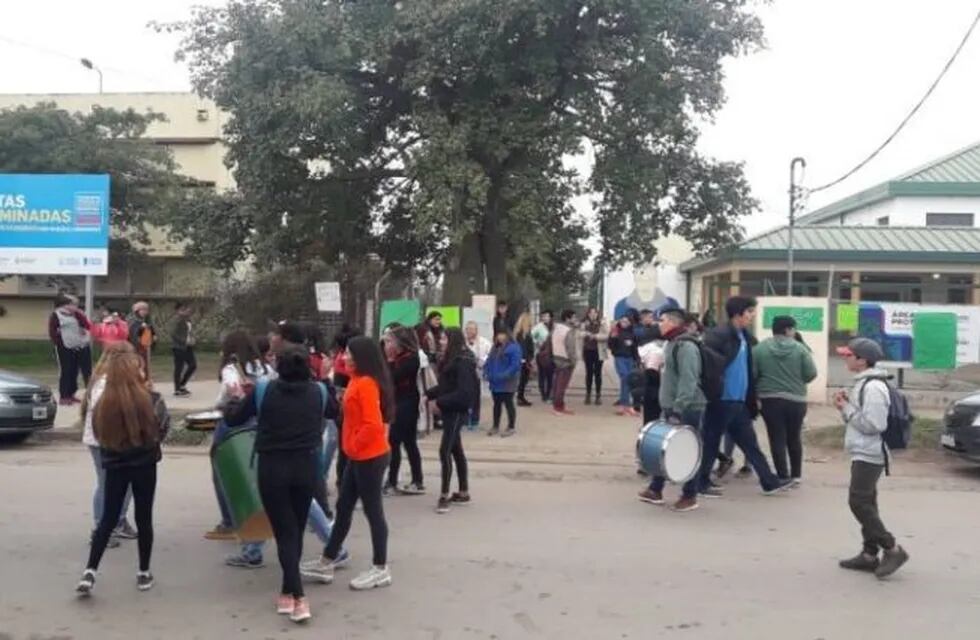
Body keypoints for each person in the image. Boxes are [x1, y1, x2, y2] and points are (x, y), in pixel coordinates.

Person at [223, 344, 339, 623]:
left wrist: (234, 398)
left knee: (285, 531)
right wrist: (325, 380)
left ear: (280, 367)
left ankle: (298, 597)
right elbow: (334, 412)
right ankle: (287, 591)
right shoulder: (319, 392)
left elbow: (234, 418)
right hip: (306, 468)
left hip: (273, 468)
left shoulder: (264, 389)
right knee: (295, 529)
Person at [76, 342, 169, 596]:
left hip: (115, 461)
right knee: (144, 517)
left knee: (107, 518)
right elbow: (162, 428)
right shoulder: (151, 397)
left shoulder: (104, 398)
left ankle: (90, 571)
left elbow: (97, 431)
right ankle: (143, 572)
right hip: (145, 462)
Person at [313, 336, 394, 591]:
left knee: (373, 512)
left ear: (361, 357)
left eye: (348, 354)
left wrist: (353, 446)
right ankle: (327, 559)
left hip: (370, 457)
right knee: (344, 506)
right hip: (359, 456)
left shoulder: (367, 384)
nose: (343, 358)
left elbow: (372, 425)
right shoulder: (357, 381)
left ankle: (380, 568)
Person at [696, 296, 792, 497]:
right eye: (749, 312)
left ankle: (769, 482)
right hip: (721, 399)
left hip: (738, 401)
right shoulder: (719, 335)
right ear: (738, 313)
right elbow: (709, 367)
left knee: (750, 443)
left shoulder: (744, 337)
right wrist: (712, 392)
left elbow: (747, 369)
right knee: (711, 442)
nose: (752, 316)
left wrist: (751, 398)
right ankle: (700, 482)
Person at [834, 338, 909, 579]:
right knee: (868, 503)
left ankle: (891, 548)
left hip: (871, 453)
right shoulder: (865, 383)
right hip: (864, 450)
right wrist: (847, 406)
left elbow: (875, 424)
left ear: (862, 360)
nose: (844, 358)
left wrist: (846, 408)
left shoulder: (874, 388)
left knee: (859, 502)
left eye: (848, 355)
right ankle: (869, 554)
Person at [637, 308, 706, 512]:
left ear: (674, 323)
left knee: (687, 450)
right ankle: (655, 489)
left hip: (687, 407)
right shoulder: (671, 343)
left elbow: (689, 380)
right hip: (670, 405)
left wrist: (678, 408)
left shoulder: (686, 347)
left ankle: (690, 495)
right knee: (663, 447)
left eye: (663, 320)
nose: (659, 323)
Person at [82, 344, 139, 551]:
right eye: (131, 357)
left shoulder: (121, 380)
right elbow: (104, 415)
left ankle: (118, 520)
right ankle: (101, 528)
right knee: (107, 485)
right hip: (102, 441)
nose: (135, 361)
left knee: (128, 483)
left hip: (120, 441)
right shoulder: (103, 382)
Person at [753, 316, 817, 484]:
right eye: (793, 329)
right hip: (796, 400)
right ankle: (796, 475)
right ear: (788, 330)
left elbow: (753, 375)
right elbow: (811, 374)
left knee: (777, 438)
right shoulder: (801, 349)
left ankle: (783, 476)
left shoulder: (759, 349)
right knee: (794, 437)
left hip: (769, 400)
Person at [426, 327, 476, 514]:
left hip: (456, 411)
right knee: (456, 450)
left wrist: (439, 401)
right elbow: (446, 385)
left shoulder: (463, 361)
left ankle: (444, 495)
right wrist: (429, 394)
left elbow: (464, 393)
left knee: (445, 450)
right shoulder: (453, 359)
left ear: (453, 340)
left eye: (444, 339)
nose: (441, 342)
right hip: (450, 410)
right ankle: (463, 491)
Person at [383, 327, 425, 495]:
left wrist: (391, 359)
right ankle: (415, 479)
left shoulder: (411, 359)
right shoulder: (397, 358)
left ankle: (395, 481)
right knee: (406, 442)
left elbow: (391, 378)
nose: (386, 344)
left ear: (400, 342)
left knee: (398, 441)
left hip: (407, 403)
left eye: (389, 341)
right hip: (397, 401)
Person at [49, 293, 93, 405]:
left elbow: (87, 325)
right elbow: (52, 331)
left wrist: (79, 315)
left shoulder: (77, 314)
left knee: (79, 371)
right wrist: (58, 342)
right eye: (73, 304)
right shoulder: (56, 315)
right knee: (67, 371)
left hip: (81, 345)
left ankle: (75, 394)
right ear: (64, 305)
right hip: (65, 346)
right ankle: (64, 396)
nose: (75, 306)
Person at [484, 328, 523, 436]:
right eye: (498, 334)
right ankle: (495, 425)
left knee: (508, 403)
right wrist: (486, 371)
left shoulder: (513, 348)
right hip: (495, 381)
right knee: (496, 404)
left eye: (502, 334)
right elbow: (489, 361)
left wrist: (505, 375)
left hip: (507, 382)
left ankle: (511, 426)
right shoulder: (495, 347)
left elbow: (515, 365)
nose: (500, 337)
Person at [613, 261, 680, 322]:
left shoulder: (671, 304)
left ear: (655, 280)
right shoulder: (622, 305)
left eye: (649, 278)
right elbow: (618, 329)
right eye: (641, 279)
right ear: (635, 280)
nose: (645, 282)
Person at [608, 315, 639, 417]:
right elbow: (610, 345)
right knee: (625, 378)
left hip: (630, 359)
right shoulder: (616, 332)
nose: (624, 323)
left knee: (628, 381)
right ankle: (625, 405)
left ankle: (625, 405)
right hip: (620, 358)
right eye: (622, 321)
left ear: (630, 323)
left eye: (626, 321)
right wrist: (612, 338)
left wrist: (637, 360)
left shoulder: (632, 333)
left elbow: (634, 348)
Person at [550, 310, 579, 416]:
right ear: (568, 318)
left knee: (557, 383)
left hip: (556, 357)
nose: (575, 320)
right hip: (566, 360)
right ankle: (558, 407)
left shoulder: (556, 328)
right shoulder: (568, 330)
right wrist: (574, 361)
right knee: (561, 385)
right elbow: (570, 347)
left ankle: (558, 405)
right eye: (574, 317)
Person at [464, 321, 492, 429]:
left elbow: (490, 354)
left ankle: (475, 419)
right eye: (468, 329)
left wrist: (481, 361)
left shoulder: (484, 342)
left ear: (476, 330)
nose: (470, 331)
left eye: (472, 329)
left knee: (475, 396)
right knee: (465, 396)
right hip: (465, 372)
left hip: (477, 371)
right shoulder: (462, 342)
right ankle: (465, 418)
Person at [581, 307, 609, 405]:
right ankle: (588, 394)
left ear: (597, 314)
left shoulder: (602, 323)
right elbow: (579, 334)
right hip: (587, 350)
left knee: (598, 373)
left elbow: (606, 335)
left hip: (599, 351)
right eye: (591, 313)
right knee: (589, 373)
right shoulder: (584, 323)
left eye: (595, 313)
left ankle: (598, 395)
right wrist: (586, 333)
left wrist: (596, 336)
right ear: (588, 314)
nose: (593, 314)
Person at [171, 302, 197, 397]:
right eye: (181, 310)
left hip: (188, 347)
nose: (184, 311)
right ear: (177, 311)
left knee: (193, 365)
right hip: (178, 347)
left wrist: (193, 339)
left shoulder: (187, 319)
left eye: (184, 309)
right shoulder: (177, 319)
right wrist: (184, 341)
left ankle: (182, 384)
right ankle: (177, 389)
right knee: (179, 367)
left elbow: (189, 332)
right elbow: (173, 334)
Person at [128, 301, 156, 381]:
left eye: (146, 310)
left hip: (146, 348)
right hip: (137, 349)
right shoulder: (133, 322)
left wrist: (153, 336)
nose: (145, 312)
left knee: (146, 368)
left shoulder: (146, 322)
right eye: (142, 310)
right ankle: (138, 388)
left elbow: (151, 332)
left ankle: (147, 387)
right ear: (137, 311)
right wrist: (141, 329)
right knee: (139, 367)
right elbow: (133, 336)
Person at [531, 310, 554, 401]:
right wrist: (537, 343)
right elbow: (531, 337)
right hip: (541, 354)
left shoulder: (554, 327)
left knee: (550, 376)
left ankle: (549, 394)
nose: (545, 318)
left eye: (547, 316)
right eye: (543, 316)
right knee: (542, 375)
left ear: (551, 317)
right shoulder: (538, 327)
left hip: (552, 354)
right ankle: (543, 395)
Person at [513, 312, 535, 407]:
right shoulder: (523, 335)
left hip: (523, 359)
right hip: (524, 360)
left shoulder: (518, 334)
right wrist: (526, 360)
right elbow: (524, 348)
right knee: (523, 379)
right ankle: (520, 398)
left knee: (523, 380)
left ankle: (521, 397)